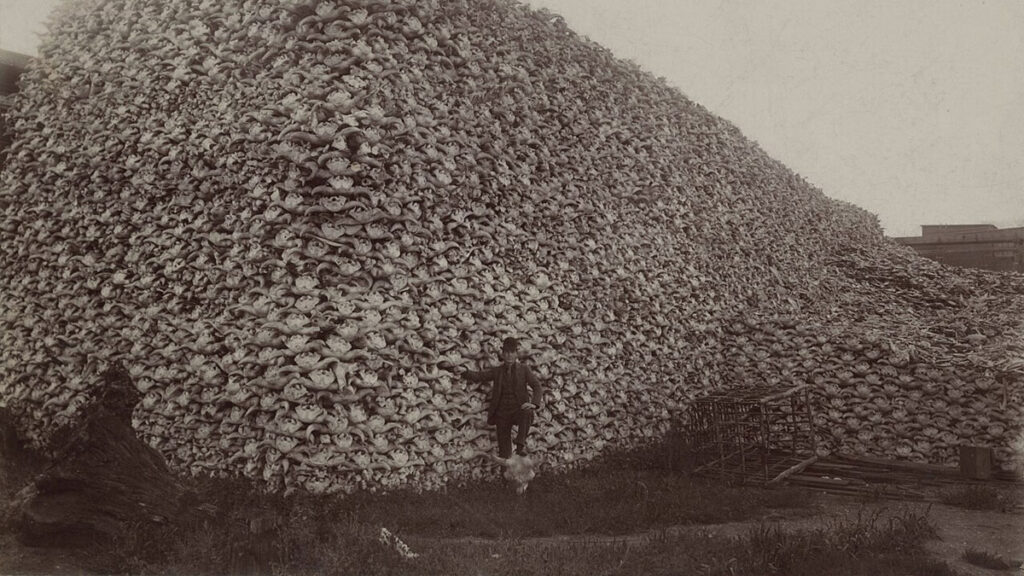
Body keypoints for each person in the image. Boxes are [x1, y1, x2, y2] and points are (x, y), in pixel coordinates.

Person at [463, 337, 543, 459]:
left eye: (512, 352)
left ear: (516, 353)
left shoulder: (524, 369)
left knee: (527, 411)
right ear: (503, 354)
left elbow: (537, 386)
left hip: (518, 410)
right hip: (502, 414)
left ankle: (520, 445)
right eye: (506, 353)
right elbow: (479, 376)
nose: (509, 356)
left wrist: (534, 403)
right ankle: (506, 476)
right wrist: (464, 371)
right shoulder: (498, 371)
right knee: (504, 452)